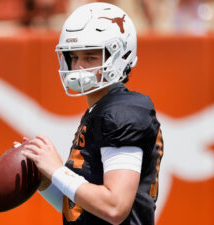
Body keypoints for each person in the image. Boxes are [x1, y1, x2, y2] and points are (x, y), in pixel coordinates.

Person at [20, 2, 164, 225]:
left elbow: (114, 207)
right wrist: (42, 179)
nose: (78, 67)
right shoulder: (101, 110)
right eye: (74, 57)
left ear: (119, 56)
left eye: (90, 58)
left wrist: (57, 170)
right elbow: (83, 209)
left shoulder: (122, 113)